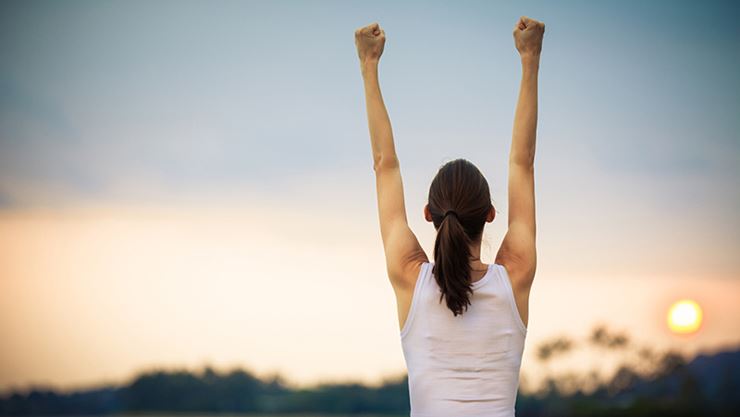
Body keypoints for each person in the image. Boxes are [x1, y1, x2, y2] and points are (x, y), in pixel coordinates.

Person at [355, 15, 545, 416]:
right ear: (491, 214)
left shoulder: (410, 278)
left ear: (428, 214)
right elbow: (522, 164)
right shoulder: (516, 276)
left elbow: (384, 165)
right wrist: (530, 59)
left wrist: (369, 66)